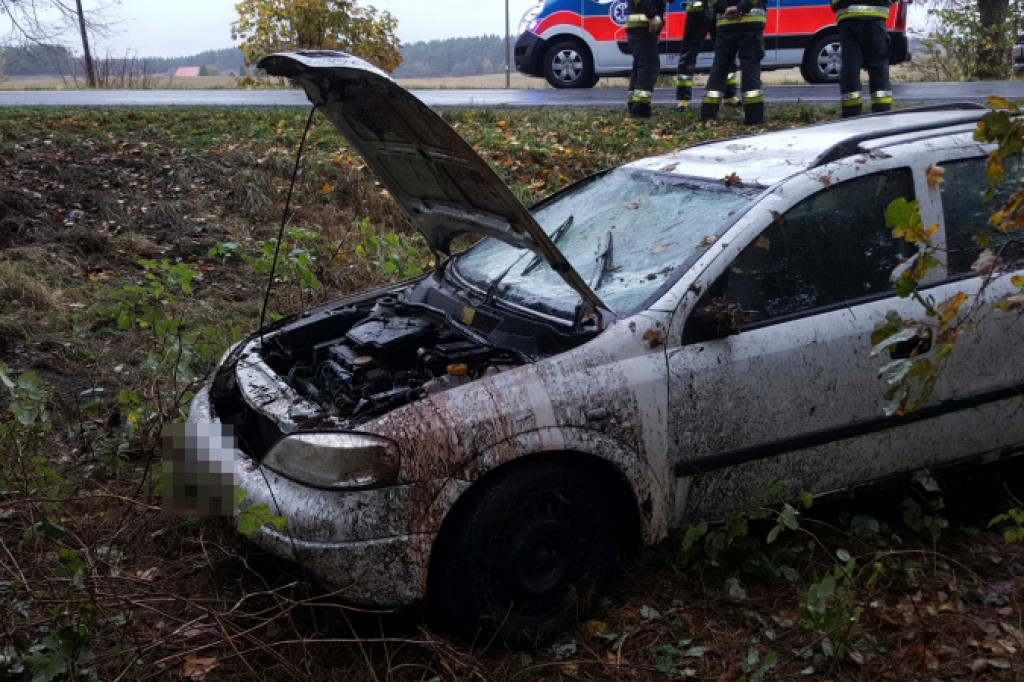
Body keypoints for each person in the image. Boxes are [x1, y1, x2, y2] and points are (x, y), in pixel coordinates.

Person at [698, 0, 765, 125]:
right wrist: (741, 8)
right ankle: (754, 117)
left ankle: (708, 114)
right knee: (750, 65)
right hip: (751, 21)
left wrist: (724, 8)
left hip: (725, 22)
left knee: (720, 66)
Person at [831, 0, 894, 117]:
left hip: (849, 15)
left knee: (851, 64)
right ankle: (882, 107)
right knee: (878, 64)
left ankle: (851, 109)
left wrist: (837, 4)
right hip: (877, 15)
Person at [674, 0, 739, 109]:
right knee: (689, 52)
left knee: (726, 50)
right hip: (698, 11)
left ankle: (729, 95)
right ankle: (683, 99)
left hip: (719, 8)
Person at [626, 0, 669, 118]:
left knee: (641, 65)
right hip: (642, 25)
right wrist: (652, 16)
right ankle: (640, 108)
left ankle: (634, 104)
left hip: (643, 26)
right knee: (648, 65)